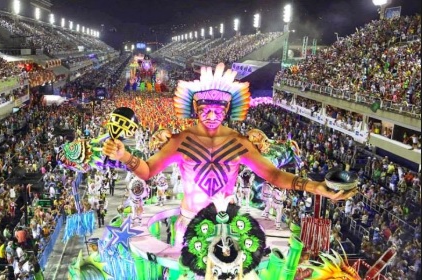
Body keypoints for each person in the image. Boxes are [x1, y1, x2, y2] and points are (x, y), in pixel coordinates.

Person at [103, 63, 356, 246]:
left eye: (218, 109)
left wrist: (316, 187)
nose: (212, 115)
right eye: (205, 109)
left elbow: (273, 175)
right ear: (195, 107)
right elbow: (147, 171)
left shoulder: (238, 143)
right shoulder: (181, 141)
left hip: (228, 227)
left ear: (227, 109)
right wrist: (125, 156)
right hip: (189, 225)